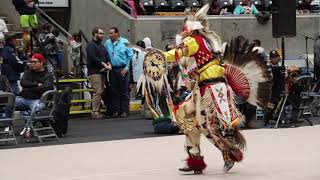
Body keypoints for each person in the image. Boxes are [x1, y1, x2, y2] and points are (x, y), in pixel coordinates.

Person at [138, 5, 272, 174]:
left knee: (207, 126)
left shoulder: (194, 41)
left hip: (211, 88)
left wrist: (159, 56)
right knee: (187, 118)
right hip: (203, 88)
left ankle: (228, 152)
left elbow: (177, 53)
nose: (183, 29)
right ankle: (194, 159)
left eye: (185, 25)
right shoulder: (205, 41)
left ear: (191, 28)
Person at [16, 53, 54, 136]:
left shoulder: (48, 75)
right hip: (23, 99)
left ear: (41, 63)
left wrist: (28, 87)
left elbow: (45, 88)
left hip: (38, 100)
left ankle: (27, 128)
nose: (32, 64)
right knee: (9, 104)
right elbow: (23, 82)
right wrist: (37, 84)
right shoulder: (28, 72)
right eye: (31, 62)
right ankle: (7, 126)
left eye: (35, 62)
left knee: (37, 108)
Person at [105, 27, 133, 118]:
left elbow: (130, 56)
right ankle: (116, 110)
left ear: (117, 33)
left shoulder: (125, 41)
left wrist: (127, 68)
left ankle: (124, 110)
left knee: (124, 90)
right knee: (114, 91)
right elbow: (106, 56)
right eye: (109, 33)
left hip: (122, 68)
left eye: (111, 33)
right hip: (112, 69)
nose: (110, 35)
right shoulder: (107, 43)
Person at [86, 27, 111, 119]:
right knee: (98, 92)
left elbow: (107, 56)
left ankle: (98, 110)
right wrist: (104, 64)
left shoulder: (102, 46)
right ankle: (95, 112)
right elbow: (93, 58)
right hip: (94, 72)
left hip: (102, 72)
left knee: (101, 92)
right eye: (100, 33)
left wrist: (109, 64)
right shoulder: (90, 45)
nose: (102, 35)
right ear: (95, 34)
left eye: (103, 34)